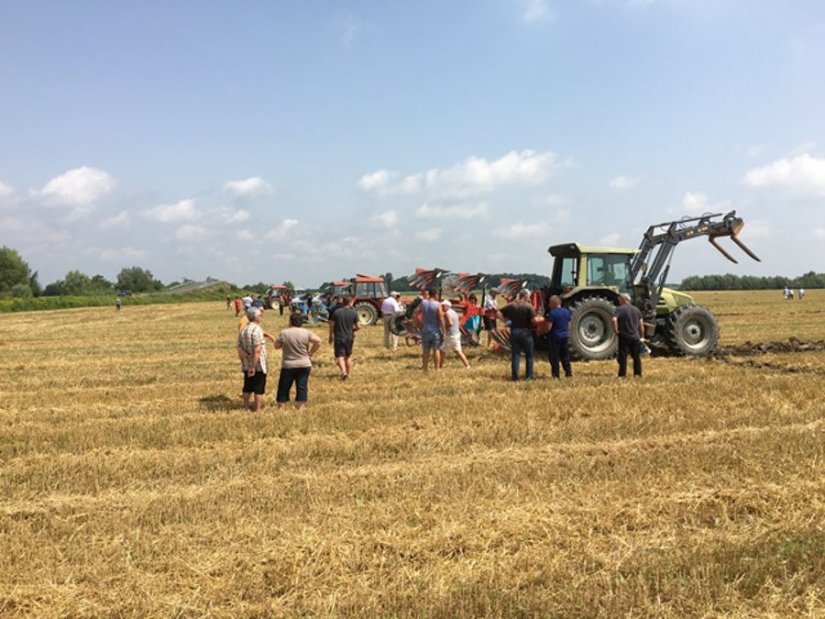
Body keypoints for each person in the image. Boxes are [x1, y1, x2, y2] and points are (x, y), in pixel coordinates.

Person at [273, 312, 322, 409]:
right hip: (304, 364)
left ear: (290, 321)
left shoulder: (284, 333)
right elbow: (318, 341)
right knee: (302, 386)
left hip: (288, 364)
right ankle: (300, 408)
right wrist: (311, 352)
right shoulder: (306, 332)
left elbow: (276, 346)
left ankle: (282, 407)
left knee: (284, 387)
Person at [499, 289, 540, 381]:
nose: (529, 298)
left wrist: (505, 321)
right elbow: (534, 321)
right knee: (529, 355)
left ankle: (515, 378)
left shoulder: (511, 305)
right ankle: (529, 377)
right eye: (529, 296)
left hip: (514, 331)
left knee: (515, 355)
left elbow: (498, 312)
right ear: (525, 296)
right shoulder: (528, 306)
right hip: (525, 332)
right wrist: (541, 319)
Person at [237, 307, 269, 411]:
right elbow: (257, 349)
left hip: (246, 363)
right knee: (258, 388)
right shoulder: (257, 330)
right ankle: (257, 408)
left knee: (247, 386)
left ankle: (245, 407)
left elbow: (239, 348)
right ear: (255, 317)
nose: (261, 317)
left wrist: (247, 356)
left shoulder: (243, 330)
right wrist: (253, 366)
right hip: (258, 364)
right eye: (260, 315)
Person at [612, 293, 645, 378]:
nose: (618, 301)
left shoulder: (619, 309)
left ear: (624, 299)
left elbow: (614, 320)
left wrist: (616, 330)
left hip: (624, 336)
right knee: (636, 357)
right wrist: (641, 336)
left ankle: (622, 375)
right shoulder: (636, 310)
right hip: (635, 337)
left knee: (623, 357)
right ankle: (638, 374)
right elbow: (641, 324)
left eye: (619, 299)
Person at [329, 295, 360, 380]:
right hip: (349, 337)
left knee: (340, 356)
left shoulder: (337, 312)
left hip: (339, 337)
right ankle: (348, 375)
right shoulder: (354, 313)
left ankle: (343, 372)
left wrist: (331, 336)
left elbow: (332, 325)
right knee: (348, 356)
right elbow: (358, 326)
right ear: (350, 302)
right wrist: (352, 330)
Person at [414, 288, 445, 371]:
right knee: (436, 350)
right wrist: (444, 332)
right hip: (435, 331)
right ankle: (437, 368)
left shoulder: (423, 303)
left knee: (425, 351)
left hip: (425, 330)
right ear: (435, 294)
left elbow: (415, 312)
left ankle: (425, 368)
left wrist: (418, 324)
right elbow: (441, 319)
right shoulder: (438, 304)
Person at [545, 295, 572, 379]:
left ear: (553, 303)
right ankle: (568, 373)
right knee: (565, 356)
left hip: (555, 337)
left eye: (550, 303)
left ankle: (556, 375)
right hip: (565, 336)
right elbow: (569, 326)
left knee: (554, 357)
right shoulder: (567, 312)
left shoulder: (552, 313)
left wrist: (541, 332)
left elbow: (548, 327)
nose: (549, 305)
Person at [440, 300, 471, 369]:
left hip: (450, 335)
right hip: (456, 334)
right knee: (458, 351)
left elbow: (450, 323)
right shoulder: (454, 312)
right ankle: (467, 366)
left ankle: (439, 367)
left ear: (447, 306)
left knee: (442, 351)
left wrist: (444, 329)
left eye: (442, 306)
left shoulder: (446, 313)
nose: (441, 307)